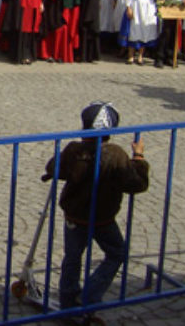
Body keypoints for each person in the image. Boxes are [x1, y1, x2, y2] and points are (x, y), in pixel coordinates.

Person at [43, 102, 149, 313]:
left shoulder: (74, 150)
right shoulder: (116, 154)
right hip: (102, 217)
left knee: (72, 258)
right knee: (117, 252)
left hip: (75, 215)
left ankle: (68, 300)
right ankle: (89, 295)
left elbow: (54, 168)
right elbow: (137, 184)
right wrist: (138, 157)